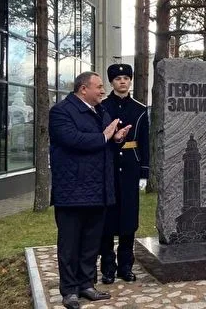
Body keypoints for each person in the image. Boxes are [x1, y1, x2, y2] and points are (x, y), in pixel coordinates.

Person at [49, 71, 131, 309]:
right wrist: (104, 136)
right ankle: (70, 291)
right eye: (99, 87)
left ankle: (86, 285)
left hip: (99, 190)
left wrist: (115, 138)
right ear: (83, 89)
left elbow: (102, 143)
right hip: (72, 191)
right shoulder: (61, 112)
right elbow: (73, 140)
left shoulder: (100, 111)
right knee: (70, 244)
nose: (103, 91)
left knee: (90, 243)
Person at [99, 64, 149, 284]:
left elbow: (145, 142)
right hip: (108, 166)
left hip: (130, 167)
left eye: (126, 78)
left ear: (130, 81)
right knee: (108, 219)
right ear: (111, 82)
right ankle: (108, 268)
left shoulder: (140, 109)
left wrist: (144, 172)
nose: (122, 82)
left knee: (129, 218)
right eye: (118, 78)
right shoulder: (102, 106)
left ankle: (126, 266)